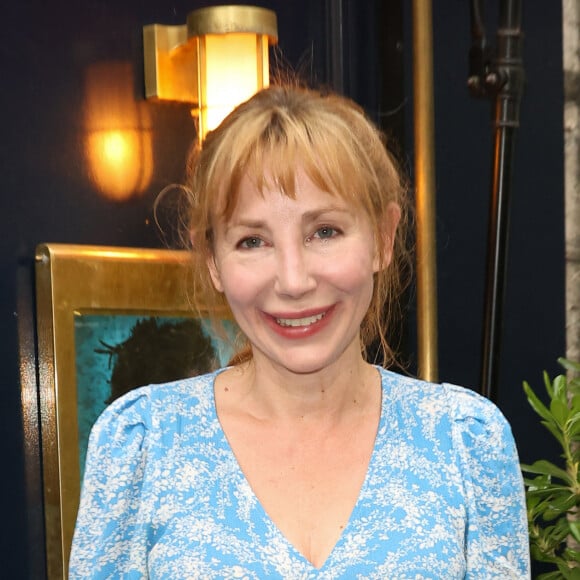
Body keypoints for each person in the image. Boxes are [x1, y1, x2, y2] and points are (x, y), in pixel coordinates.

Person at [69, 85, 530, 578]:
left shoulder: (466, 444)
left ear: (383, 236)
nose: (293, 281)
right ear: (213, 263)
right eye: (252, 241)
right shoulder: (142, 446)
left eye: (324, 232)